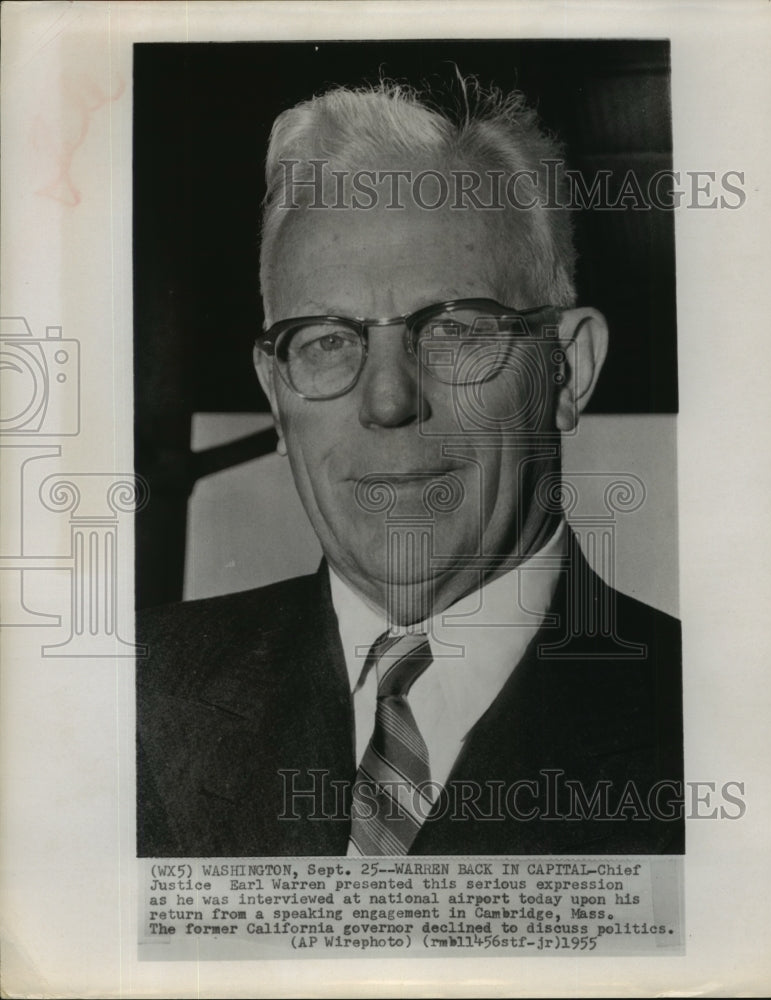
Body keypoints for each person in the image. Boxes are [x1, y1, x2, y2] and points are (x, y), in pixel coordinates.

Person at [137, 79, 683, 857]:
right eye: (326, 340)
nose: (387, 401)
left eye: (454, 330)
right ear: (275, 392)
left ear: (566, 369)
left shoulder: (727, 726)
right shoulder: (123, 698)